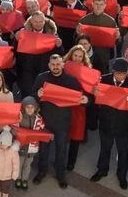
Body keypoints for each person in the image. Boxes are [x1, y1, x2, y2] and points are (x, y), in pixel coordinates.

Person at [34, 53, 88, 188]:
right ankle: (41, 171)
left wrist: (87, 100)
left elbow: (83, 98)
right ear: (49, 65)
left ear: (63, 64)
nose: (56, 67)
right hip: (45, 122)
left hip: (63, 123)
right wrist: (37, 95)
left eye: (58, 64)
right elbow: (32, 96)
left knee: (61, 150)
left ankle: (60, 175)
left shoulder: (71, 81)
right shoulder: (41, 78)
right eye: (53, 64)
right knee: (44, 150)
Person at [91, 57, 128, 188]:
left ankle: (122, 175)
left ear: (127, 72)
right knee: (105, 149)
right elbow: (96, 101)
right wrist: (94, 93)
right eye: (117, 72)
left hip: (124, 126)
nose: (119, 75)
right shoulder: (104, 80)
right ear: (113, 71)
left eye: (122, 73)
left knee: (123, 152)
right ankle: (102, 170)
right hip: (106, 122)